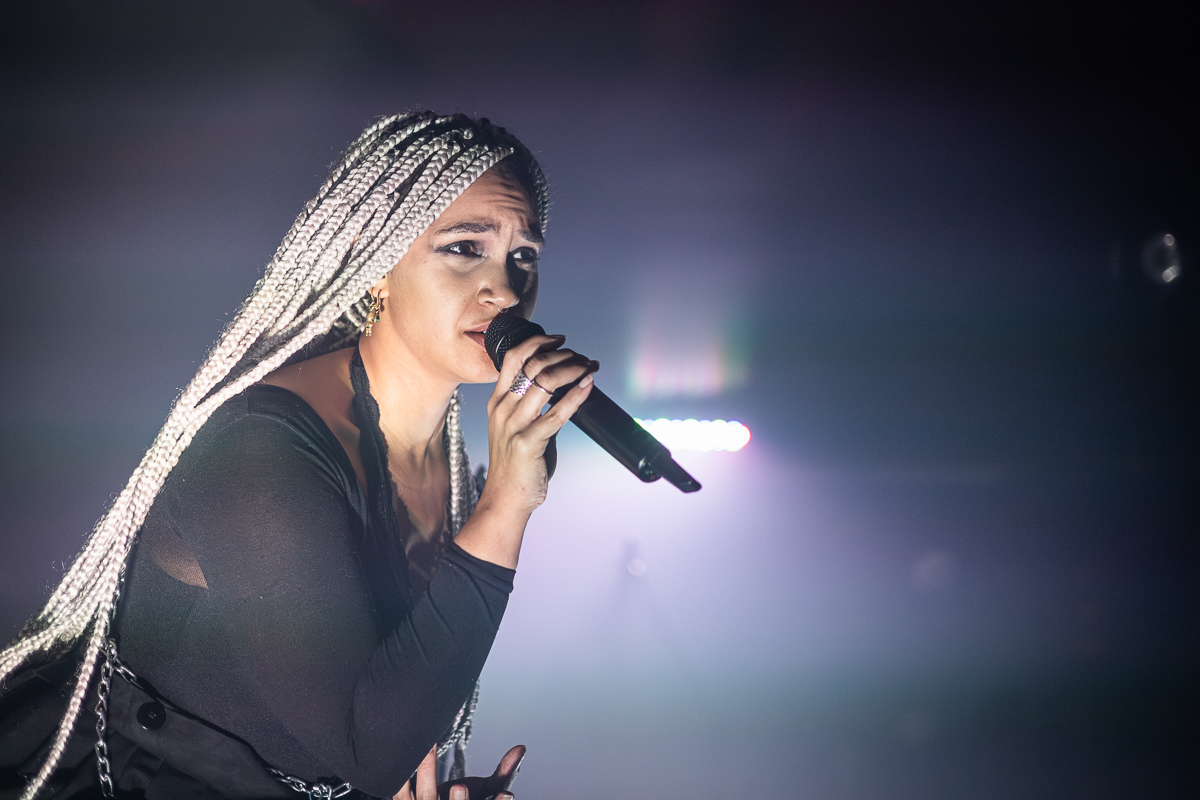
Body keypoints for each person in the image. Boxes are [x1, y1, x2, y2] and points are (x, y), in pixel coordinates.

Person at [0, 112, 596, 800]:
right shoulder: (263, 447)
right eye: (465, 248)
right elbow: (365, 747)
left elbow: (388, 711)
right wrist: (507, 507)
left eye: (523, 258)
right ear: (375, 265)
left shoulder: (450, 459)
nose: (508, 291)